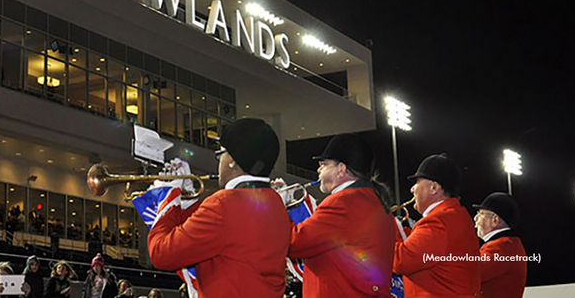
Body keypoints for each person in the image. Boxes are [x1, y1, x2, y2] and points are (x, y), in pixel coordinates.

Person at [148, 117, 292, 297]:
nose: (219, 162)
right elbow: (217, 239)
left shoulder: (223, 203)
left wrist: (166, 196)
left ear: (232, 160)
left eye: (221, 154)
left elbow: (161, 254)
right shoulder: (275, 203)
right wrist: (187, 202)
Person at [285, 134, 395, 297]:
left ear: (341, 169)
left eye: (324, 164)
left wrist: (278, 208)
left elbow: (293, 243)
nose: (318, 170)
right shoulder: (370, 199)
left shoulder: (343, 202)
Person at [393, 154, 480, 297]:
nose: (412, 190)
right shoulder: (455, 216)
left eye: (417, 183)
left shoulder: (437, 222)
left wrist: (390, 226)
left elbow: (400, 261)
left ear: (434, 187)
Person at [473, 192, 527, 298]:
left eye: (480, 213)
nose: (475, 218)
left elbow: (467, 274)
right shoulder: (509, 245)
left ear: (495, 220)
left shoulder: (500, 247)